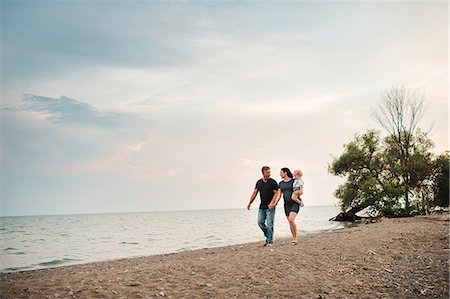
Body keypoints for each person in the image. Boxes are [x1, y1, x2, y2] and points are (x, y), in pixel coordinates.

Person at [247, 166, 280, 246]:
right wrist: (250, 203)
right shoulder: (259, 182)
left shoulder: (273, 182)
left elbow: (277, 193)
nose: (269, 174)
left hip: (270, 206)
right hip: (262, 206)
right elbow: (254, 193)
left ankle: (270, 241)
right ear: (263, 173)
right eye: (267, 172)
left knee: (270, 224)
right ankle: (269, 236)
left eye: (269, 172)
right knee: (260, 222)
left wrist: (272, 203)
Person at [272, 167, 300, 245]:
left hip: (294, 203)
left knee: (291, 219)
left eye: (281, 172)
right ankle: (294, 237)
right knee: (290, 222)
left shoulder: (293, 181)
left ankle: (295, 238)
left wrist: (297, 195)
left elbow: (298, 190)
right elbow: (279, 195)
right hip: (286, 205)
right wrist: (275, 202)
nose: (280, 174)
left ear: (285, 172)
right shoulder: (280, 183)